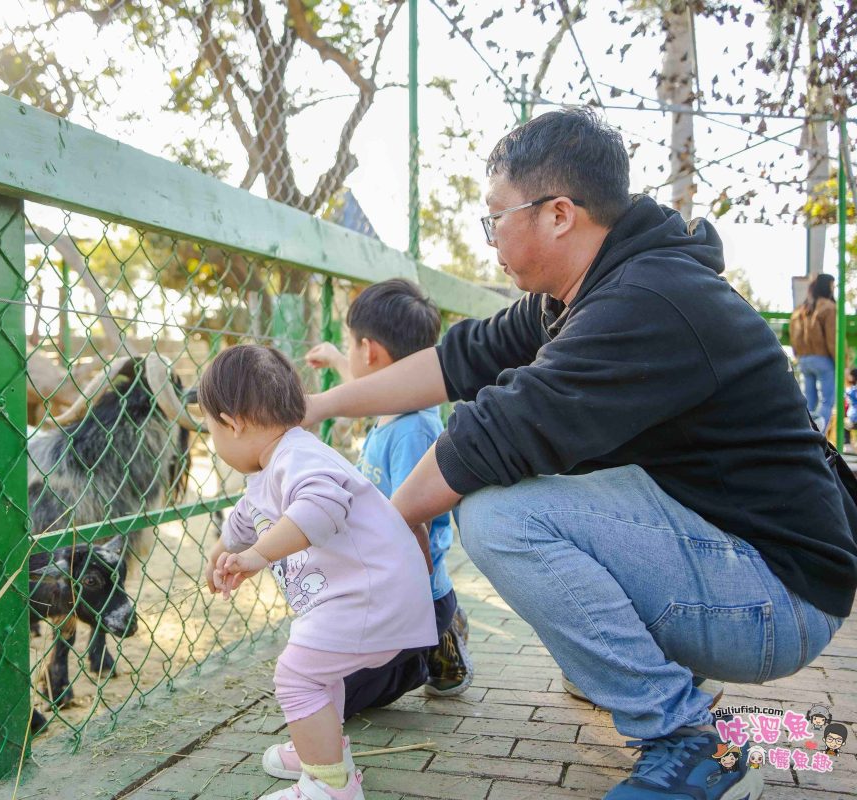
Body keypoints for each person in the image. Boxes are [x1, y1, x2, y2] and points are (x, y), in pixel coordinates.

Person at [302, 107, 857, 800]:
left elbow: (495, 431)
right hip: (739, 557)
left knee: (499, 515)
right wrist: (316, 406)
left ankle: (686, 741)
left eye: (495, 215)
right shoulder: (584, 292)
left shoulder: (647, 300)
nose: (491, 235)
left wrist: (390, 525)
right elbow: (457, 361)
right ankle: (642, 679)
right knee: (532, 478)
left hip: (779, 598)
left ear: (558, 214)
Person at [200, 344, 437, 800]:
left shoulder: (299, 459)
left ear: (232, 422)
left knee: (297, 675)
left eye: (211, 429)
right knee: (318, 672)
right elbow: (248, 517)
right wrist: (223, 547)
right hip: (364, 597)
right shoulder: (274, 466)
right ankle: (324, 751)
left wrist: (257, 556)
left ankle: (329, 786)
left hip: (369, 597)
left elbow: (321, 507)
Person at [304, 279, 474, 703]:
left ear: (372, 351)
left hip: (413, 592)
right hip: (386, 580)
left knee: (343, 698)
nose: (349, 351)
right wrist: (339, 358)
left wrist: (406, 606)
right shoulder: (395, 409)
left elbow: (411, 520)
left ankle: (436, 641)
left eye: (351, 342)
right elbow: (369, 385)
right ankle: (432, 631)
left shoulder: (414, 430)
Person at [790, 273, 838, 431]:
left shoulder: (800, 309)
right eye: (832, 285)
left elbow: (794, 335)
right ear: (827, 286)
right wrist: (841, 361)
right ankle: (818, 438)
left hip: (804, 359)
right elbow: (832, 339)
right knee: (827, 401)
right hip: (823, 359)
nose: (833, 289)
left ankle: (805, 435)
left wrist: (798, 354)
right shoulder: (829, 307)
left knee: (809, 402)